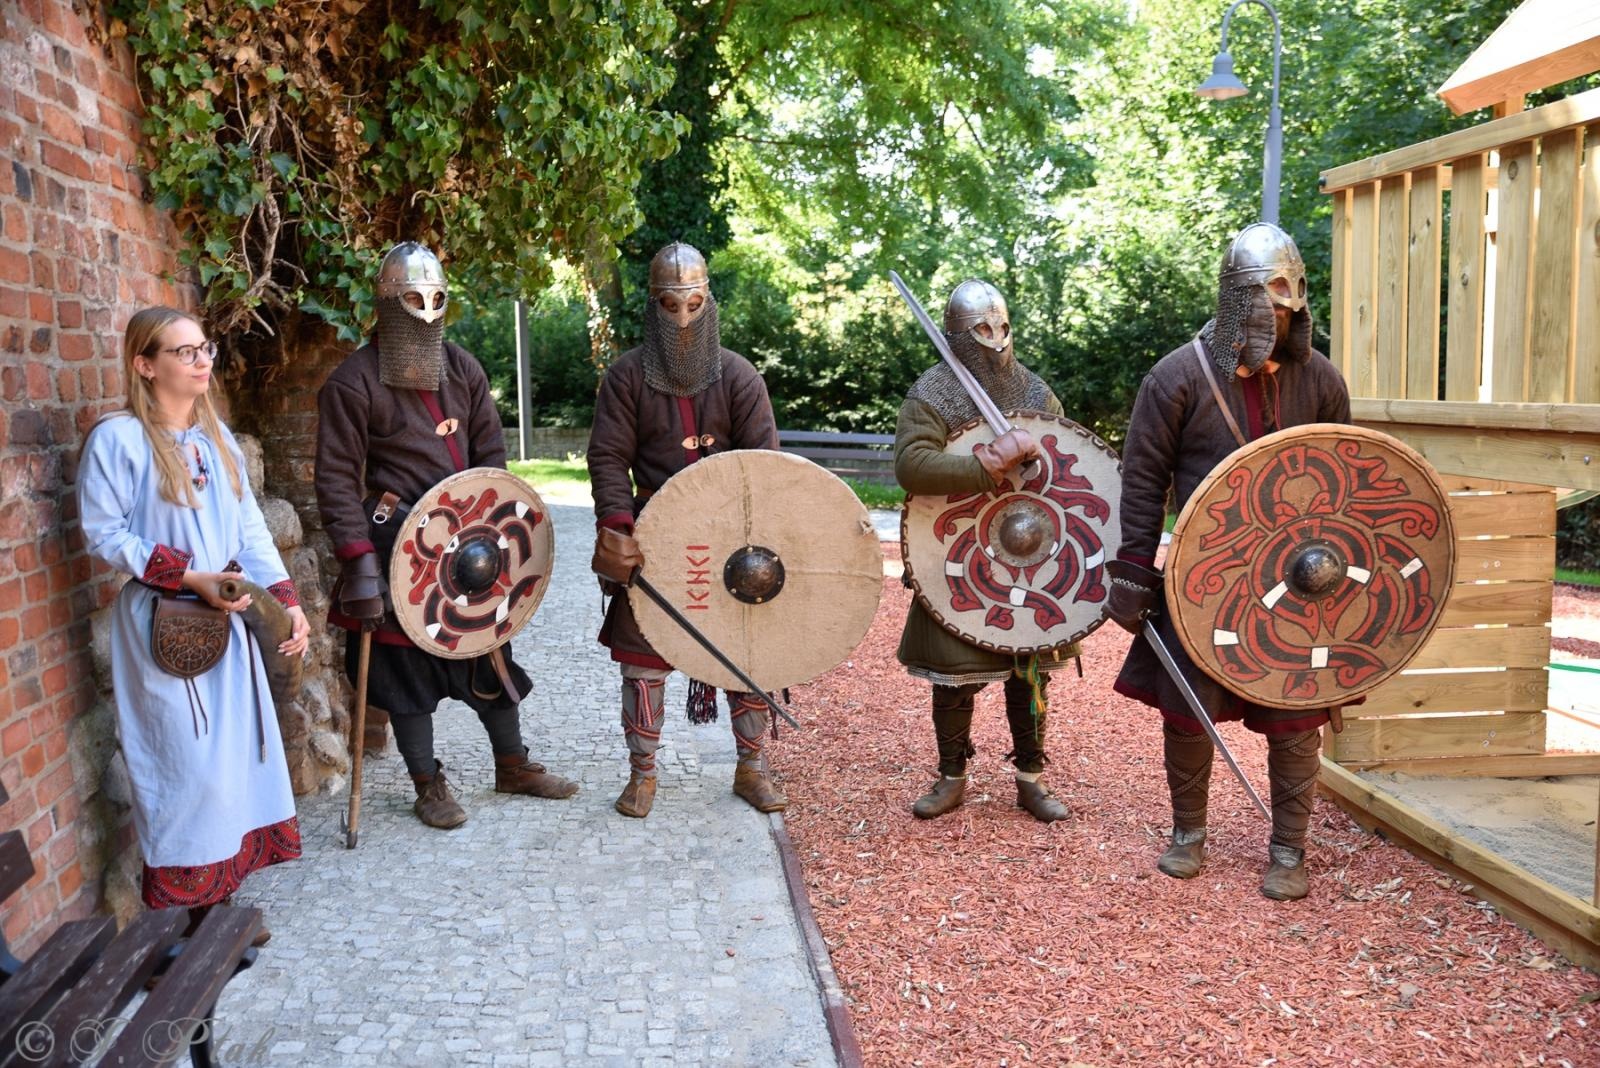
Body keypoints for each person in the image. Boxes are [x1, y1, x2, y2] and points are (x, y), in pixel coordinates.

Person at [1106, 221, 1352, 900]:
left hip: (1297, 578)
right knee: (1188, 705)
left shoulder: (1321, 380)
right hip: (1203, 577)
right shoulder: (1177, 377)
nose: (1282, 318)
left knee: (1297, 712)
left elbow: (1348, 481)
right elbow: (1144, 477)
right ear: (1236, 303)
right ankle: (1188, 833)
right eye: (1269, 305)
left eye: (1290, 307)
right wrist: (1132, 566)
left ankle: (1288, 846)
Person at [316, 241, 577, 830]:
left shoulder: (461, 368)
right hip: (400, 548)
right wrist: (357, 559)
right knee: (406, 668)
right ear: (385, 302)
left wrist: (503, 528)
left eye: (435, 298)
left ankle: (512, 764)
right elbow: (335, 479)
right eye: (412, 297)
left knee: (489, 650)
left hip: (473, 545)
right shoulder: (352, 382)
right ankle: (427, 783)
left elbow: (491, 456)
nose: (426, 309)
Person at [78, 306, 309, 942]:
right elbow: (105, 533)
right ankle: (181, 922)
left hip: (226, 620)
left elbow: (251, 531)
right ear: (145, 365)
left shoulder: (215, 441)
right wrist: (189, 576)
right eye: (184, 352)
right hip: (163, 622)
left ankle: (218, 903)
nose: (202, 359)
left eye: (203, 348)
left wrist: (286, 600)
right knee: (185, 766)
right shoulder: (118, 440)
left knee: (231, 759)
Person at [586, 242, 786, 819]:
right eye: (670, 304)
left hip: (732, 540)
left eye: (694, 303)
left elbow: (762, 463)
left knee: (743, 652)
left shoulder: (739, 375)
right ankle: (643, 774)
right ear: (652, 305)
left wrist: (756, 536)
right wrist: (618, 528)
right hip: (654, 535)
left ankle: (751, 768)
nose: (682, 316)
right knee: (644, 660)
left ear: (709, 301)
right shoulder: (627, 377)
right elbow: (607, 458)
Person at [894, 279, 1077, 824]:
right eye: (981, 330)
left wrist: (1037, 463)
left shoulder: (1036, 393)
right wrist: (984, 466)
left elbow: (1066, 460)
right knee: (955, 671)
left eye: (1001, 327)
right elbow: (911, 464)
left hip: (1026, 543)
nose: (995, 339)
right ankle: (951, 777)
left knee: (1029, 668)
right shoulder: (933, 393)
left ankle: (1031, 779)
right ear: (958, 336)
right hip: (957, 546)